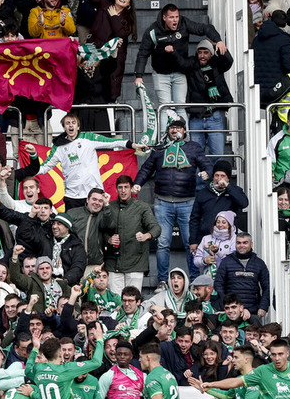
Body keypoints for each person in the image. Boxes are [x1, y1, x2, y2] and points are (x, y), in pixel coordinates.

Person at [134, 117, 212, 288]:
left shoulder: (193, 147)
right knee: (162, 244)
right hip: (163, 202)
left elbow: (208, 165)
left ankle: (194, 280)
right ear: (167, 130)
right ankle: (162, 280)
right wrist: (138, 183)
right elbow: (147, 168)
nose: (175, 130)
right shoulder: (160, 148)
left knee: (190, 243)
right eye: (172, 127)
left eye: (179, 127)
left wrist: (208, 173)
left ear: (185, 131)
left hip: (188, 203)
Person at [39, 113, 146, 210]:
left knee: (96, 229)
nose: (70, 125)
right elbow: (45, 167)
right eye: (67, 123)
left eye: (73, 123)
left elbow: (112, 142)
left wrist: (133, 145)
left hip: (94, 194)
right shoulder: (58, 146)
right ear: (64, 127)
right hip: (72, 197)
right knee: (73, 230)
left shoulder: (88, 138)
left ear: (78, 126)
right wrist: (32, 163)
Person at [100, 176, 162, 294]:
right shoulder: (110, 206)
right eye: (120, 187)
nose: (123, 190)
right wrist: (109, 239)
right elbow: (101, 231)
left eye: (126, 187)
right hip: (114, 264)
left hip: (136, 263)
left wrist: (146, 235)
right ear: (116, 189)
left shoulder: (142, 207)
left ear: (131, 188)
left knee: (132, 302)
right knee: (116, 304)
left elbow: (156, 228)